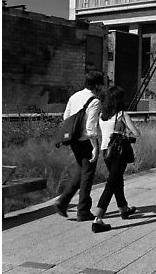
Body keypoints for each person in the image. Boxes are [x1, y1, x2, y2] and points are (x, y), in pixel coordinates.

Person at [53, 71, 104, 222]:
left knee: (81, 171)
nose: (102, 87)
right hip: (86, 141)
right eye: (101, 84)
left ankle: (62, 202)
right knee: (87, 175)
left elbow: (66, 117)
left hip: (73, 140)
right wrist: (95, 146)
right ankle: (83, 211)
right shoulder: (94, 101)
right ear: (96, 85)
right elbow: (91, 127)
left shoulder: (74, 96)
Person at [92, 86, 140, 233]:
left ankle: (123, 209)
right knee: (112, 183)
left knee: (117, 180)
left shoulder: (102, 115)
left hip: (106, 152)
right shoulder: (122, 115)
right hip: (118, 152)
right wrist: (125, 132)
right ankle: (98, 219)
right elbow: (137, 133)